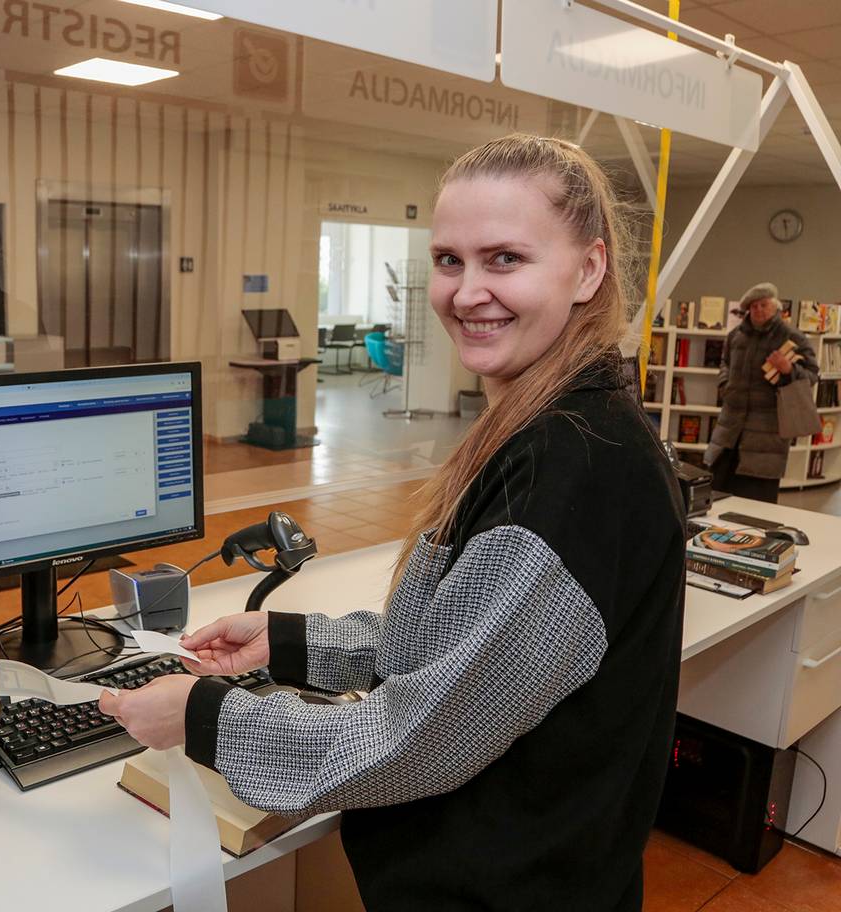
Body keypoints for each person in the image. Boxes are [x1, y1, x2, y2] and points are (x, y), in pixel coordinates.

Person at [99, 135, 685, 911]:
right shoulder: (548, 424)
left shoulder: (575, 467)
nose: (467, 291)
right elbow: (465, 649)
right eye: (449, 260)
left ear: (588, 269)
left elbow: (419, 740)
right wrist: (291, 641)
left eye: (505, 258)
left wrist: (201, 715)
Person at [704, 282, 819, 503]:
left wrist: (788, 369)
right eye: (753, 306)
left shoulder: (793, 336)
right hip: (729, 429)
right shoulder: (735, 335)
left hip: (767, 433)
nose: (758, 310)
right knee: (717, 497)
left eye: (763, 305)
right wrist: (725, 385)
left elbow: (813, 373)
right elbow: (724, 364)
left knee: (756, 504)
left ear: (775, 307)